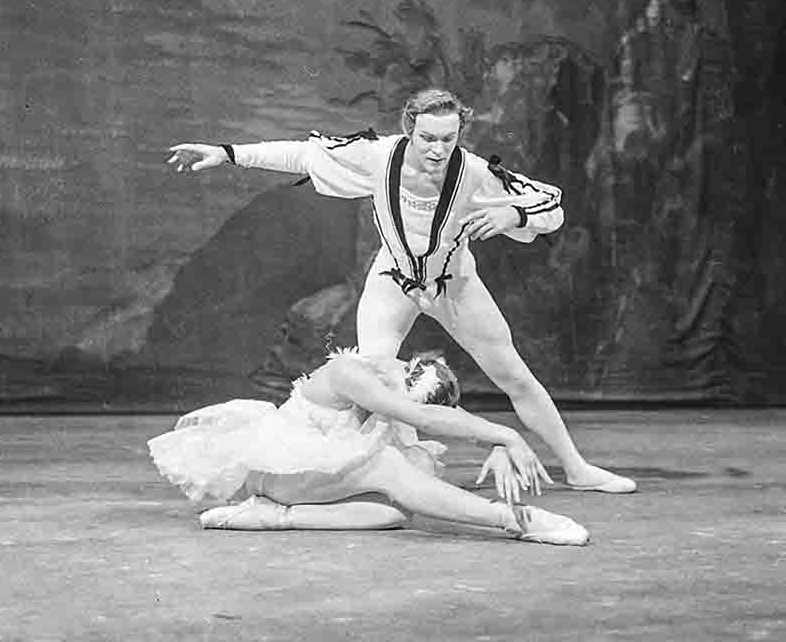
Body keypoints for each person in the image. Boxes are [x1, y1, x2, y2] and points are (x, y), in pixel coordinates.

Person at [167, 88, 635, 494]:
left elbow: (548, 204)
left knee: (513, 375)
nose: (436, 149)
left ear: (460, 135)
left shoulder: (473, 173)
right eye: (427, 138)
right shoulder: (377, 156)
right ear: (409, 129)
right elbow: (302, 155)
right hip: (393, 282)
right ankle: (353, 474)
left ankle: (576, 467)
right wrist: (227, 153)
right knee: (369, 387)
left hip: (455, 284)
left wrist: (515, 216)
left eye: (447, 139)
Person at [149, 349, 589, 545]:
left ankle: (277, 518)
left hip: (305, 485)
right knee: (390, 467)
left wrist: (494, 444)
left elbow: (435, 414)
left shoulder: (391, 383)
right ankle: (513, 520)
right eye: (405, 392)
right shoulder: (350, 373)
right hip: (282, 468)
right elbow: (421, 416)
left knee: (395, 512)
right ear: (405, 372)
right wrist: (507, 435)